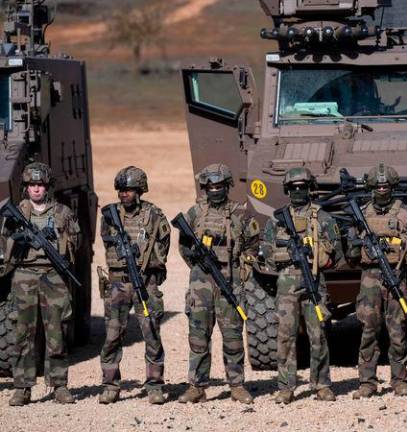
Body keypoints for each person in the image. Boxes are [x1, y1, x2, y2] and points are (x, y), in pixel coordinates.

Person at [177, 163, 258, 404]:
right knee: (198, 337)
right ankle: (197, 387)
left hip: (229, 282)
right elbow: (183, 246)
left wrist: (243, 269)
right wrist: (197, 260)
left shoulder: (240, 213)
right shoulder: (194, 214)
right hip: (201, 283)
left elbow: (252, 245)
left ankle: (237, 385)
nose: (215, 190)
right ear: (205, 188)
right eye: (210, 186)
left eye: (219, 186)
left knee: (233, 336)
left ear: (227, 186)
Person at [262, 167, 342, 404]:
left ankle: (322, 384)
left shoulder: (323, 218)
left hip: (314, 283)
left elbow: (336, 254)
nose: (298, 192)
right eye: (294, 188)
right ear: (287, 190)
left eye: (303, 187)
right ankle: (286, 386)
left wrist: (314, 254)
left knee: (318, 335)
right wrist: (288, 253)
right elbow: (267, 253)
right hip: (286, 284)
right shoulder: (277, 219)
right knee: (285, 336)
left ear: (310, 189)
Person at [4, 162, 81, 406]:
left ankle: (59, 385)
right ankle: (22, 388)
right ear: (25, 187)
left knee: (57, 332)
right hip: (25, 275)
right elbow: (5, 242)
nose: (36, 189)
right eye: (32, 185)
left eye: (40, 185)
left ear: (48, 186)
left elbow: (75, 243)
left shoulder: (62, 213)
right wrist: (21, 238)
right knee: (23, 333)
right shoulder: (17, 213)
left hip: (53, 275)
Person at [347, 164, 407, 398]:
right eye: (378, 186)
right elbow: (350, 254)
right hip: (369, 278)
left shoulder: (405, 214)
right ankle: (367, 382)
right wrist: (358, 246)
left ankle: (399, 380)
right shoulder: (360, 214)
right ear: (371, 187)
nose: (382, 189)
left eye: (385, 186)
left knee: (397, 331)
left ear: (392, 187)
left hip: (396, 275)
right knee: (368, 330)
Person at [98, 166, 170, 404]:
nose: (123, 195)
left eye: (128, 190)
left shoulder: (154, 215)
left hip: (145, 283)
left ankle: (155, 385)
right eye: (120, 190)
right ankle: (110, 385)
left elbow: (164, 243)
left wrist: (151, 264)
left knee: (151, 334)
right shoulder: (110, 215)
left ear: (139, 191)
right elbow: (108, 242)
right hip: (118, 283)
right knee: (112, 335)